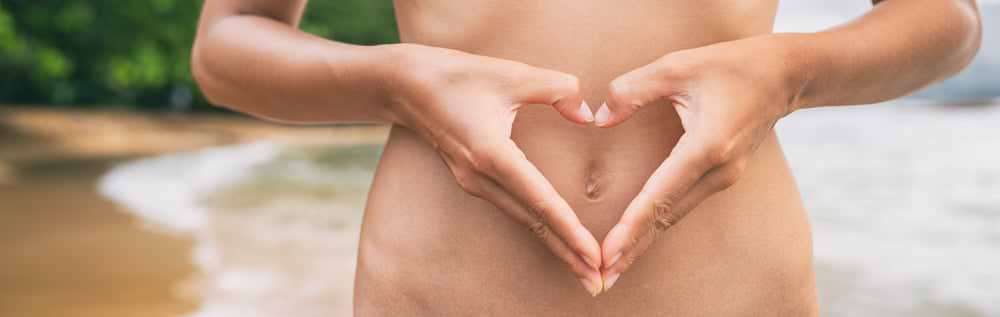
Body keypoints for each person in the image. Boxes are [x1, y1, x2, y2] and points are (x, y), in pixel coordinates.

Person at [191, 0, 982, 315]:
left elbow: (948, 20)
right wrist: (396, 79)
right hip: (435, 292)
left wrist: (790, 71)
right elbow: (226, 45)